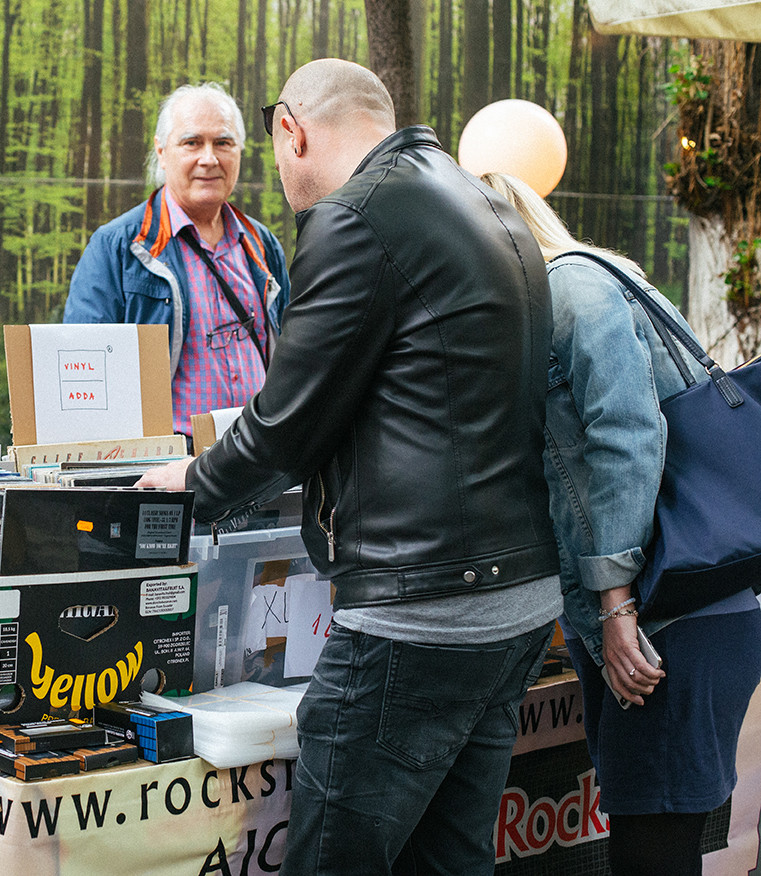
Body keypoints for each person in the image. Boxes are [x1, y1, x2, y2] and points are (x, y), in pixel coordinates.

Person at [138, 59, 562, 875]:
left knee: (336, 857)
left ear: (289, 130)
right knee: (449, 857)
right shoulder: (482, 201)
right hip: (515, 598)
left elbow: (284, 424)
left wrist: (188, 487)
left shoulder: (356, 219)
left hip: (420, 609)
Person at [480, 170, 761, 876]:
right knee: (651, 830)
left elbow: (626, 436)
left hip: (663, 617)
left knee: (652, 848)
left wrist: (612, 602)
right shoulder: (594, 280)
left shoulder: (570, 287)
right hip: (674, 607)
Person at [64, 82, 290, 439]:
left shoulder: (262, 246)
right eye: (192, 142)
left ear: (240, 151)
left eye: (223, 143)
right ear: (162, 150)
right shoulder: (118, 248)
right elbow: (84, 378)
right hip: (167, 469)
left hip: (257, 464)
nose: (209, 158)